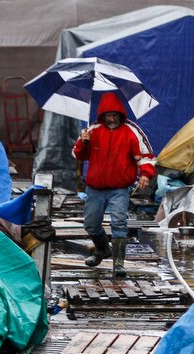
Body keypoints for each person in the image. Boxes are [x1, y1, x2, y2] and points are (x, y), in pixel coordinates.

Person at [73, 92, 156, 277]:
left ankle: (118, 263)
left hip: (119, 189)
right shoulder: (92, 131)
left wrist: (145, 175)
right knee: (91, 224)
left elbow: (145, 156)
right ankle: (103, 250)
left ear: (120, 114)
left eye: (115, 114)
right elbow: (79, 155)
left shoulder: (131, 131)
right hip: (94, 188)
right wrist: (83, 142)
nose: (112, 118)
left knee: (119, 223)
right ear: (103, 115)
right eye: (109, 115)